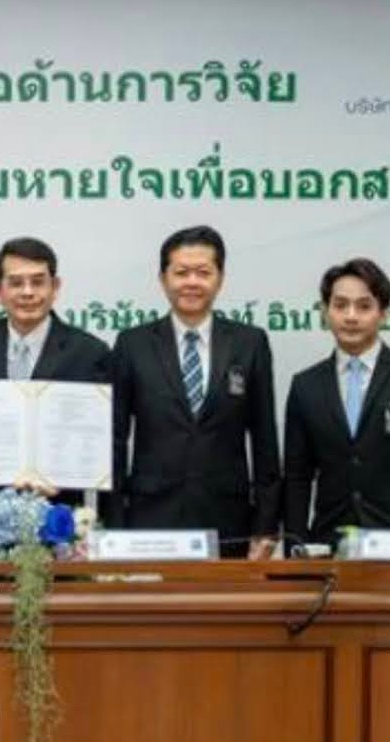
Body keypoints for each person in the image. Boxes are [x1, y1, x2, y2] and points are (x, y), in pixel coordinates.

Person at [111, 225, 280, 557]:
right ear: (163, 279)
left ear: (220, 278)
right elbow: (115, 439)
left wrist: (265, 526)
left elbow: (265, 440)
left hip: (228, 519)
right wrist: (113, 522)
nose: (192, 282)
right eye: (181, 272)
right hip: (149, 519)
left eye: (203, 272)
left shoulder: (250, 343)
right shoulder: (132, 344)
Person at [283, 257, 390, 552]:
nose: (351, 316)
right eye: (340, 305)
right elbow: (297, 477)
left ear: (383, 313)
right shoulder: (305, 385)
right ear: (325, 312)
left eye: (364, 306)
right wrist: (295, 549)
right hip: (329, 543)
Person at [0, 236, 111, 385]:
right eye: (16, 283)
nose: (28, 292)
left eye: (38, 282)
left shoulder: (90, 352)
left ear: (55, 287)